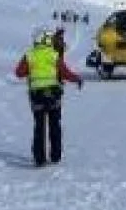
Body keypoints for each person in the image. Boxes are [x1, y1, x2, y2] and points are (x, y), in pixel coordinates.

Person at [14, 29, 83, 166]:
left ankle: (39, 158)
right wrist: (77, 79)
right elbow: (64, 72)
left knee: (39, 126)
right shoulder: (53, 55)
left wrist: (31, 70)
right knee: (54, 124)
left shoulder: (29, 55)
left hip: (36, 96)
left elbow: (19, 73)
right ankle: (55, 156)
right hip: (53, 94)